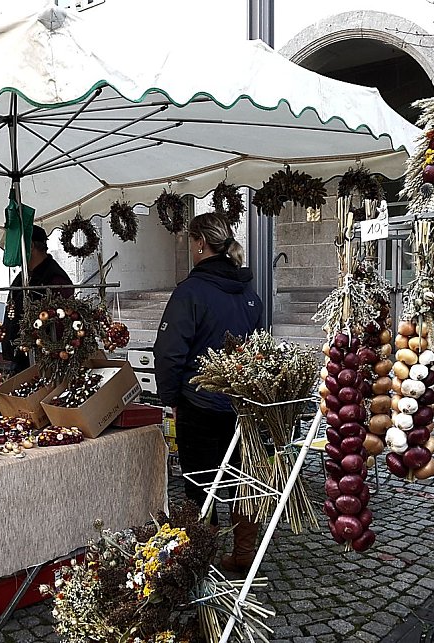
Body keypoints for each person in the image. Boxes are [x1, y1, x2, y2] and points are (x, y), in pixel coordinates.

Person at [153, 212, 264, 574]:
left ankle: (202, 562)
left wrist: (169, 396)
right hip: (241, 405)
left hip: (199, 404)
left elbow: (169, 350)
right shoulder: (249, 291)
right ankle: (244, 552)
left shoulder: (190, 291)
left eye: (190, 242)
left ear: (200, 243)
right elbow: (259, 348)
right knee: (242, 479)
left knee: (200, 483)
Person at [1, 225, 74, 373]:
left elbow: (61, 326)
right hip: (21, 359)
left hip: (44, 365)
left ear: (31, 246)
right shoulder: (23, 277)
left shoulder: (55, 279)